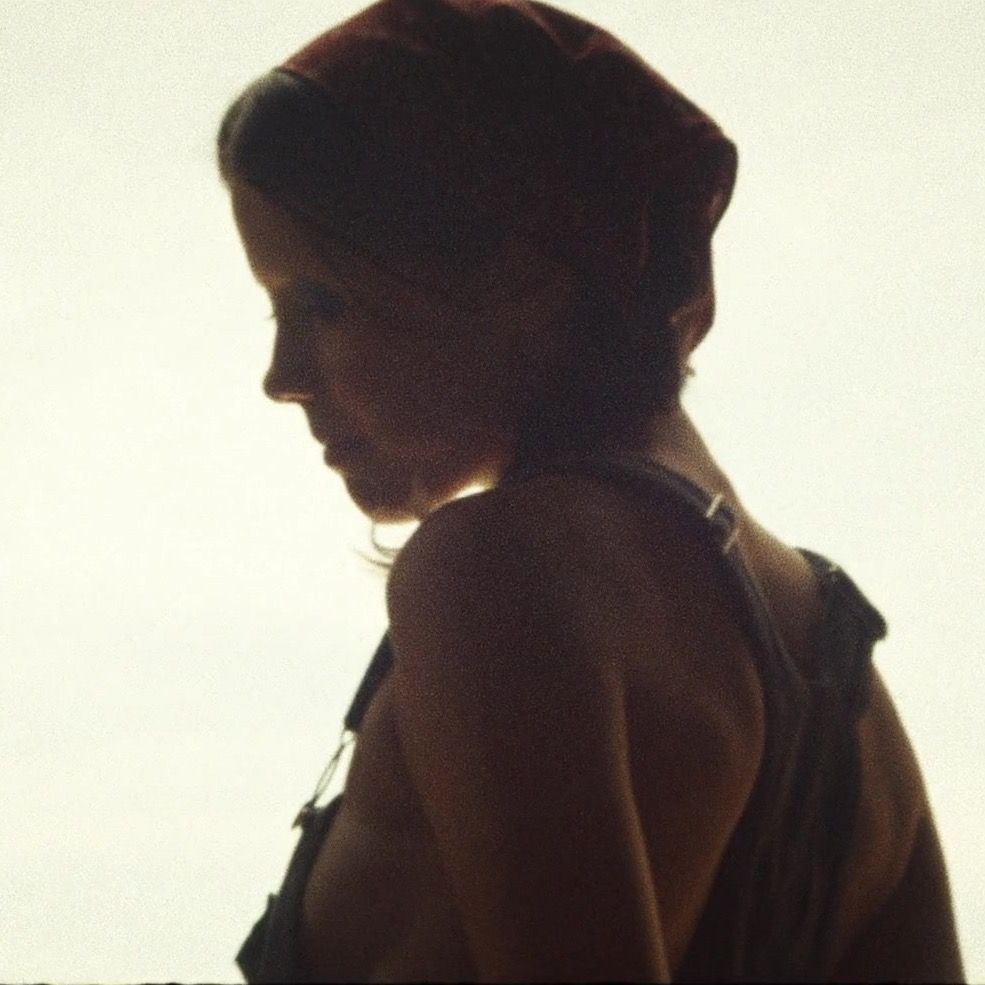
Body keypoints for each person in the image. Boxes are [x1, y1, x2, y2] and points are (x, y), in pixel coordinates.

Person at [217, 1, 964, 981]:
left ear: (522, 274)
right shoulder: (843, 682)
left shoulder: (494, 575)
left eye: (320, 302)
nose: (281, 376)